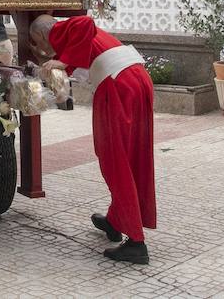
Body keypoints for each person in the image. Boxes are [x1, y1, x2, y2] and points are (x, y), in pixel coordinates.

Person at [29, 14, 155, 265]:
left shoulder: (60, 32)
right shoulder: (77, 41)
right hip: (137, 81)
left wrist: (61, 61)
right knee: (133, 155)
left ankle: (136, 242)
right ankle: (116, 219)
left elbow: (84, 22)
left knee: (115, 160)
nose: (41, 48)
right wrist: (58, 61)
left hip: (118, 87)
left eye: (38, 43)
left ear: (43, 34)